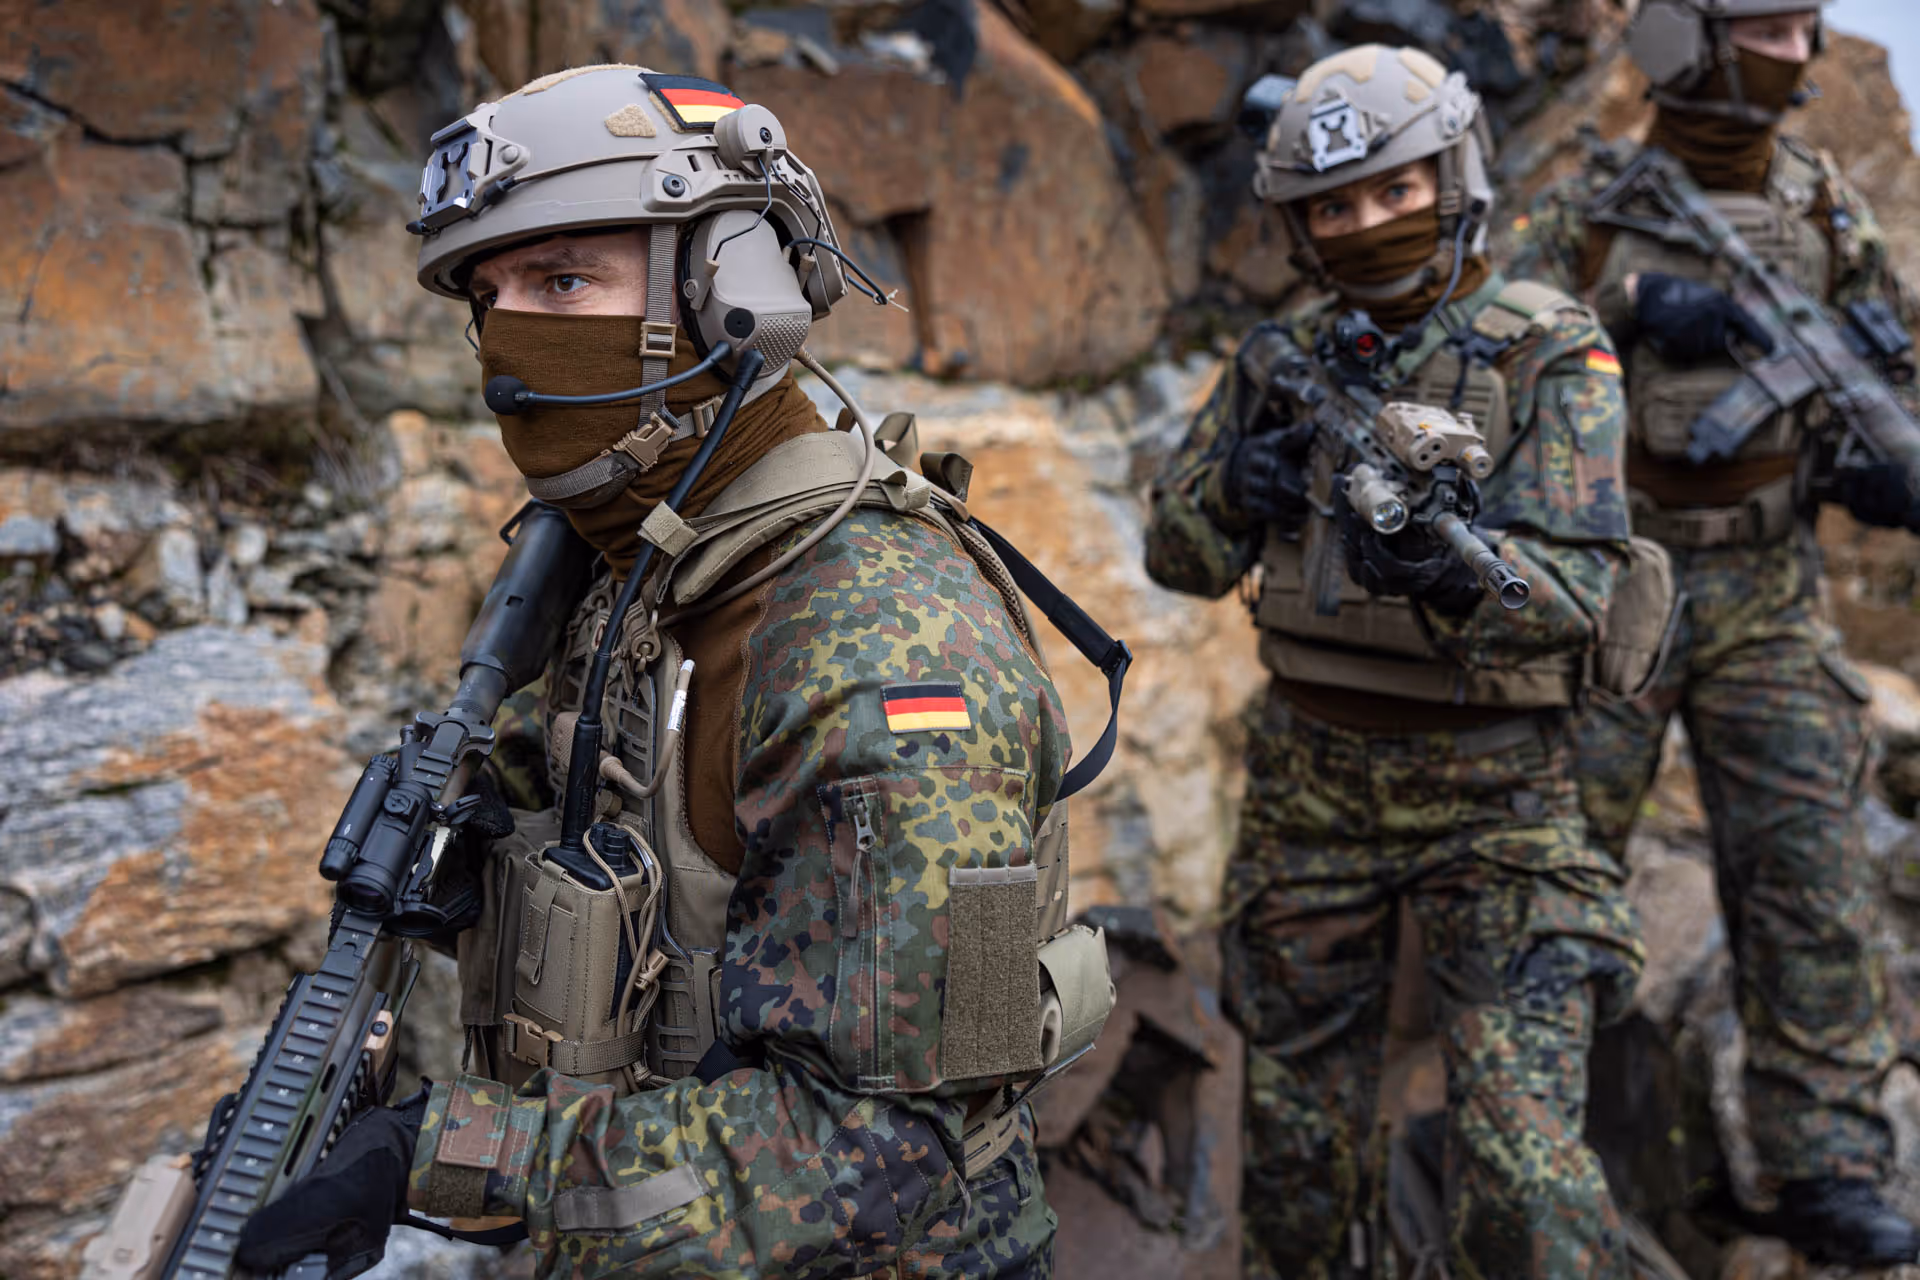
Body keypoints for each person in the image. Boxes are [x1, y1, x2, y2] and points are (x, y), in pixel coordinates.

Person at [233, 65, 1115, 1277]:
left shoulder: (888, 653)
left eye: (562, 279)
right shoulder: (662, 547)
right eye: (485, 298)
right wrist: (489, 860)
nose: (506, 351)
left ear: (733, 292)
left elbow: (878, 1152)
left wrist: (438, 1150)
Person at [1146, 45, 1645, 1280]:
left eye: (1394, 190)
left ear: (1456, 175)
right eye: (1332, 206)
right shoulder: (1285, 358)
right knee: (1299, 1170)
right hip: (1313, 789)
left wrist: (1450, 575)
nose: (1365, 224)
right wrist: (1234, 485)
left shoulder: (1550, 351)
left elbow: (1582, 592)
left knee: (1529, 1182)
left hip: (1503, 799)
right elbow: (1177, 552)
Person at [1504, 1, 1920, 1263]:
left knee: (1810, 876)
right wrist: (1624, 307)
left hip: (1768, 585)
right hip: (1618, 579)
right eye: (1773, 29)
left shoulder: (1823, 204)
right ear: (1693, 41)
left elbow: (1883, 363)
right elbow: (1491, 356)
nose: (1798, 54)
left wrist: (1868, 469)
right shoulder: (1588, 205)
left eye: (1807, 31)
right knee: (1557, 875)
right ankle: (1528, 1141)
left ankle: (1829, 1164)